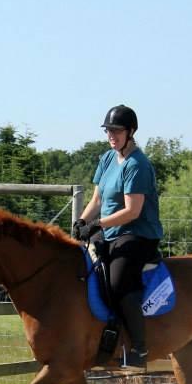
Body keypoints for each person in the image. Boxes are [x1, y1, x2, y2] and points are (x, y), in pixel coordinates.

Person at [73, 105, 163, 369]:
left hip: (137, 234)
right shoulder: (108, 158)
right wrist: (82, 221)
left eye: (116, 130)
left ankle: (139, 349)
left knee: (117, 282)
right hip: (111, 231)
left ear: (130, 132)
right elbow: (97, 199)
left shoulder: (138, 165)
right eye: (108, 130)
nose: (111, 135)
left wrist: (96, 224)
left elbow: (132, 211)